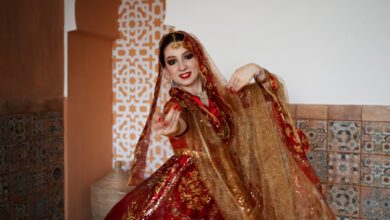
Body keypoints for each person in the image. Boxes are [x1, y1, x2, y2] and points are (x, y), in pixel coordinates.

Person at [105, 31, 335, 219]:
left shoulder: (226, 98)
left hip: (232, 184)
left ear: (199, 58)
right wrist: (174, 128)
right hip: (192, 194)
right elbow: (182, 124)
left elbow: (270, 95)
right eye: (173, 62)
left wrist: (255, 69)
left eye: (188, 56)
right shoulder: (176, 104)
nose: (182, 66)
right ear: (166, 70)